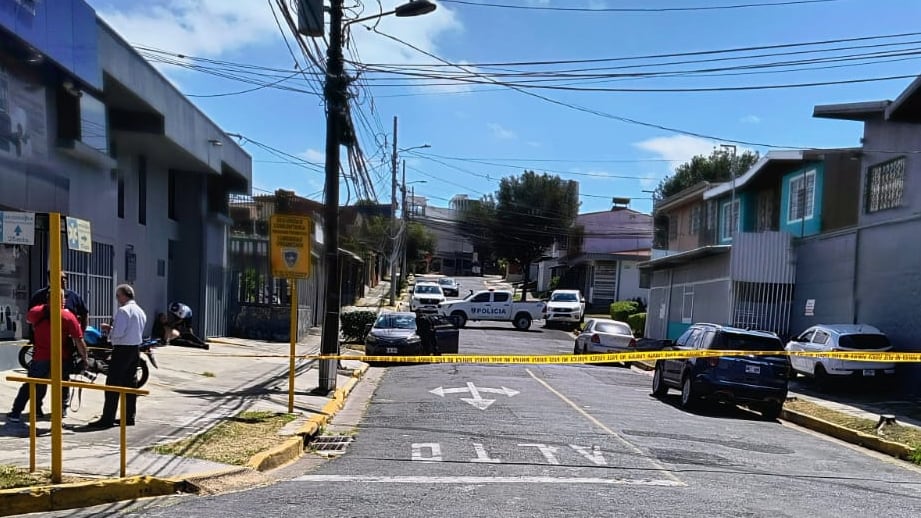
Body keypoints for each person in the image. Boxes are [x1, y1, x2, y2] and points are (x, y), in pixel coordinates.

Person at [7, 290, 88, 423]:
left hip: (41, 356)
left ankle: (19, 412)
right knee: (63, 383)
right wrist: (84, 358)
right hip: (61, 356)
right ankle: (61, 409)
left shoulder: (36, 312)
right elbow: (79, 340)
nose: (64, 302)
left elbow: (29, 319)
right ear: (61, 300)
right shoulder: (68, 317)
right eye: (63, 299)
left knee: (32, 384)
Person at [85, 284, 147, 429]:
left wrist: (110, 332)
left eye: (118, 296)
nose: (117, 299)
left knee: (113, 383)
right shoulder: (140, 311)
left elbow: (118, 333)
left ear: (124, 295)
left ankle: (107, 418)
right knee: (130, 384)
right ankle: (129, 416)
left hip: (122, 350)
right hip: (135, 349)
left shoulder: (123, 311)